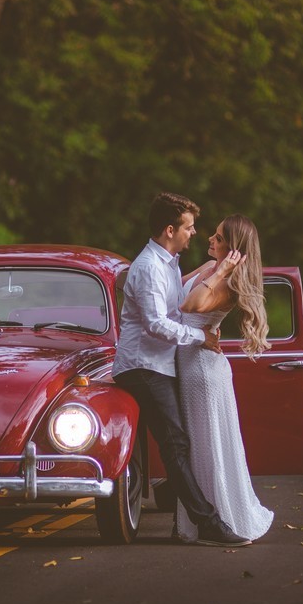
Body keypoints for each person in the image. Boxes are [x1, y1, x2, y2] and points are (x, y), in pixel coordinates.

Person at [112, 192, 251, 547]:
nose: (194, 233)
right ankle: (206, 524)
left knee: (178, 442)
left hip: (161, 364)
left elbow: (181, 307)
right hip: (143, 365)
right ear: (170, 229)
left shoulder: (169, 262)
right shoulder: (147, 268)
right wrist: (200, 336)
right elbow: (157, 324)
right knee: (175, 443)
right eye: (189, 227)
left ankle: (188, 519)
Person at [174, 214, 275, 544]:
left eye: (218, 238)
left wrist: (220, 271)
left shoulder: (229, 283)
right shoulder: (210, 268)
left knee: (209, 446)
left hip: (203, 370)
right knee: (197, 446)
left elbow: (191, 304)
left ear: (233, 249)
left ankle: (221, 521)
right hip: (191, 363)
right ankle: (197, 522)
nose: (210, 241)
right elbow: (176, 293)